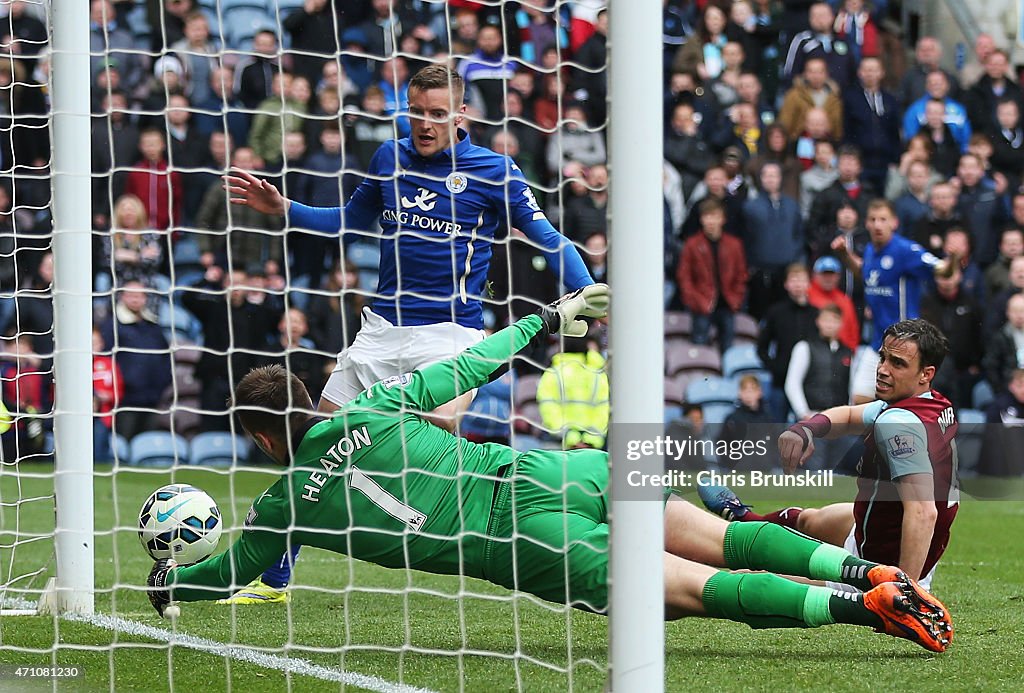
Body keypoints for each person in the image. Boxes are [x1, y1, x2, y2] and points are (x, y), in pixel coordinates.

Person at [147, 290, 954, 654]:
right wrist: (549, 316)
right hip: (553, 468)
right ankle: (871, 569)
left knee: (694, 590)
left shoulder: (286, 506)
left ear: (258, 438)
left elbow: (226, 574)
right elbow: (470, 364)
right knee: (729, 535)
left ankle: (867, 608)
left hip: (522, 539)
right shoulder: (377, 406)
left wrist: (168, 585)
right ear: (309, 394)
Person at [222, 64, 593, 602]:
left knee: (436, 428)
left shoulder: (496, 171)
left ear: (461, 114)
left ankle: (522, 518)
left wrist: (587, 291)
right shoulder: (387, 158)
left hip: (451, 334)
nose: (424, 124)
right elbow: (347, 220)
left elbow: (548, 237)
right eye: (416, 111)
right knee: (312, 447)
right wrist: (284, 209)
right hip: (381, 330)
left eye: (437, 114)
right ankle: (275, 580)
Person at [701, 318, 959, 590]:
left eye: (897, 364)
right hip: (894, 538)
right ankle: (744, 518)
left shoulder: (898, 423)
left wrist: (904, 592)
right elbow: (848, 416)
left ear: (925, 374)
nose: (882, 370)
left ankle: (691, 574)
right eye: (883, 358)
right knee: (809, 519)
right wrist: (806, 429)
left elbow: (922, 513)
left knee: (757, 582)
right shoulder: (935, 403)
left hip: (876, 567)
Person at [832, 199, 958, 404]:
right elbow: (866, 273)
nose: (878, 224)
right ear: (867, 223)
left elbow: (944, 270)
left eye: (883, 219)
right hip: (878, 343)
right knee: (860, 398)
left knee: (902, 403)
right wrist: (845, 255)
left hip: (905, 344)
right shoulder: (871, 251)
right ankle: (879, 436)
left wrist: (952, 258)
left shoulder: (905, 250)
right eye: (873, 219)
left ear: (894, 222)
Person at [677, 198, 748, 352]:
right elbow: (685, 277)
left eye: (715, 216)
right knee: (700, 346)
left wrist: (736, 298)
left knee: (728, 347)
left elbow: (741, 275)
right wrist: (695, 300)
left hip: (727, 303)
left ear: (722, 219)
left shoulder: (734, 245)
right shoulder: (692, 244)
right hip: (702, 303)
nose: (711, 221)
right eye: (707, 216)